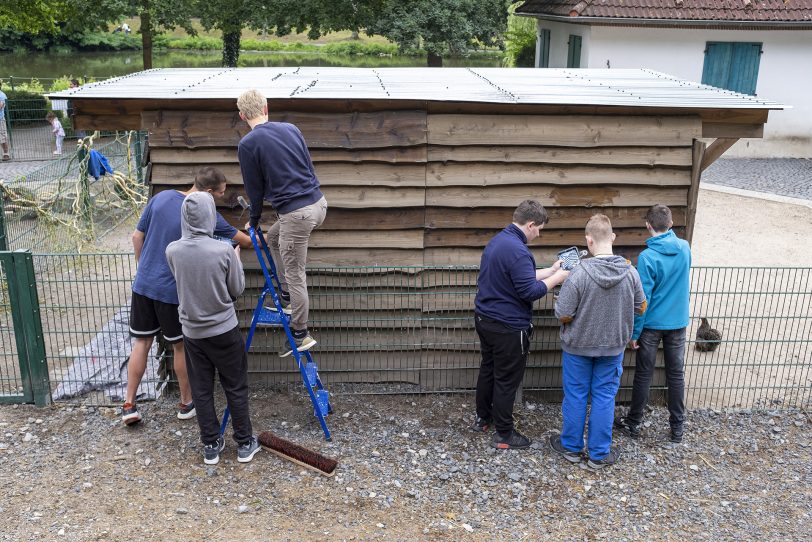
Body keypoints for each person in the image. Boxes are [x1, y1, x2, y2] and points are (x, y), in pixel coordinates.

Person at [122, 167, 252, 426]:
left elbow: (137, 237)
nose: (219, 199)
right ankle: (185, 403)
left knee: (141, 344)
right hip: (171, 292)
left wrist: (146, 270)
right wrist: (250, 230)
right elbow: (245, 242)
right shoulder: (206, 214)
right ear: (208, 192)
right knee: (179, 346)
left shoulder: (160, 198)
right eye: (220, 194)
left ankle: (129, 405)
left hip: (143, 286)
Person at [166, 191, 260, 465]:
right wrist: (236, 260)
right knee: (235, 386)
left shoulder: (172, 251)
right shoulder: (224, 251)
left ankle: (210, 445)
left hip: (193, 333)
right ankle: (244, 444)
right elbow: (236, 289)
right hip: (224, 330)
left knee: (202, 389)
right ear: (210, 216)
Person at [550, 214, 647, 470]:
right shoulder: (631, 273)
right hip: (613, 347)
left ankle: (571, 448)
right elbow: (641, 306)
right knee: (604, 397)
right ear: (612, 238)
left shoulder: (578, 274)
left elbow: (563, 314)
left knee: (576, 395)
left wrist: (558, 299)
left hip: (577, 347)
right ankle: (598, 454)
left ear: (588, 241)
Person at [237, 88, 328, 357]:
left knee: (296, 273)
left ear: (243, 116)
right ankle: (286, 298)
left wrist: (253, 221)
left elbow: (254, 190)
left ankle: (300, 334)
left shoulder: (248, 144)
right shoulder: (291, 129)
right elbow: (308, 166)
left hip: (296, 214)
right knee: (273, 239)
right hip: (319, 203)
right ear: (266, 108)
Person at [472, 200, 569, 450]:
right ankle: (504, 434)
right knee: (506, 379)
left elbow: (518, 276)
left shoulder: (499, 242)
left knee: (489, 369)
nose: (539, 234)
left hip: (485, 319)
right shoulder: (519, 250)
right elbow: (528, 291)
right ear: (530, 224)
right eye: (539, 229)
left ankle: (483, 418)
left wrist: (550, 270)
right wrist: (559, 277)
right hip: (508, 327)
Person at [615, 204, 691, 444]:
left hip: (652, 324)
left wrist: (635, 332)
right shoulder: (685, 248)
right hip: (678, 321)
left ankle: (634, 422)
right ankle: (677, 428)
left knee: (644, 374)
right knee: (676, 374)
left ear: (648, 225)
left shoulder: (647, 257)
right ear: (670, 224)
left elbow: (642, 300)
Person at [0, 81, 10, 160]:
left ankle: (6, 154)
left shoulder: (2, 95)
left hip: (0, 120)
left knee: (3, 137)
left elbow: (0, 106)